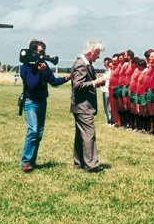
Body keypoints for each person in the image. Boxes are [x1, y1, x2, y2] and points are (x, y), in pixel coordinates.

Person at [19, 40, 71, 172]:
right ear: (33, 51)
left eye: (44, 52)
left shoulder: (44, 65)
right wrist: (39, 72)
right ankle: (26, 161)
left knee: (39, 133)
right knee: (33, 130)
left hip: (42, 101)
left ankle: (32, 161)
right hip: (30, 101)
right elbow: (31, 84)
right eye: (40, 52)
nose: (43, 55)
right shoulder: (25, 67)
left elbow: (53, 81)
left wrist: (67, 78)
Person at [71, 40, 106, 173]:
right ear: (90, 52)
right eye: (97, 53)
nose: (98, 56)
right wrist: (95, 82)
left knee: (81, 135)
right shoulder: (81, 64)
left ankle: (79, 162)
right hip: (83, 107)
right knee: (88, 135)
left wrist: (97, 83)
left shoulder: (86, 64)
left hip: (81, 106)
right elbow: (78, 85)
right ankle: (91, 165)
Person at [101, 57, 114, 126]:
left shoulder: (111, 71)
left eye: (106, 63)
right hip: (104, 89)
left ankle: (111, 120)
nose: (105, 65)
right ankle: (108, 120)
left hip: (108, 90)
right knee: (105, 106)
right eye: (104, 63)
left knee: (109, 106)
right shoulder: (106, 71)